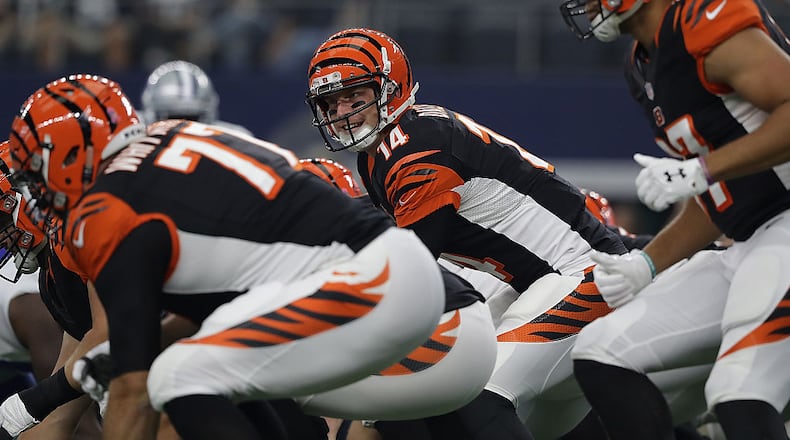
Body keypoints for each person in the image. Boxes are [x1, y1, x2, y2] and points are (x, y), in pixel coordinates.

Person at [8, 74, 446, 440]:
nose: (33, 194)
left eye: (33, 176)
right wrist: (50, 395)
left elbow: (130, 381)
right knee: (206, 370)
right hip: (389, 281)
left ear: (67, 156)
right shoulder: (174, 153)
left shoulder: (113, 207)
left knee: (175, 377)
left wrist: (57, 392)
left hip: (376, 288)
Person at [305, 27, 629, 439]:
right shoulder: (385, 153)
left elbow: (412, 271)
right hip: (539, 281)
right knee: (442, 385)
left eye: (356, 97)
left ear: (391, 87)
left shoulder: (413, 148)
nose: (343, 112)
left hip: (585, 274)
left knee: (476, 390)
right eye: (331, 104)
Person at [558, 0, 790, 438]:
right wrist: (646, 265)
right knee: (601, 352)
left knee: (740, 391)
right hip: (749, 240)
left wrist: (704, 169)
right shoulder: (643, 64)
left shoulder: (703, 22)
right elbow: (721, 198)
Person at [297, 157, 498, 439]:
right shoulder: (381, 229)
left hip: (439, 337)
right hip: (460, 332)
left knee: (263, 382)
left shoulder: (323, 243)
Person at [140, 59, 252, 135]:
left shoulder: (234, 138)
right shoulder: (133, 136)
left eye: (192, 119)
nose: (181, 130)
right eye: (172, 119)